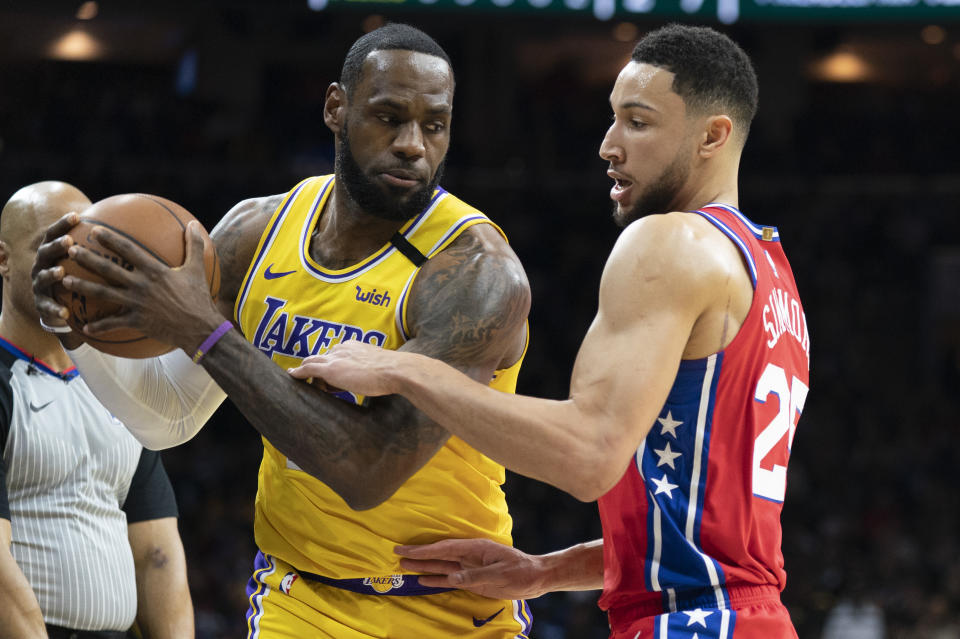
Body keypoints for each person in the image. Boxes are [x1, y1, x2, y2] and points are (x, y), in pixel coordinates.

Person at [288, 24, 811, 639]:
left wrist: (406, 368)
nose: (608, 145)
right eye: (613, 119)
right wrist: (545, 571)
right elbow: (708, 532)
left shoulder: (668, 241)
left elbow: (589, 456)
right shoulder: (770, 270)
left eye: (637, 123)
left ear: (712, 136)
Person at [32, 25, 532, 638]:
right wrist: (79, 330)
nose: (412, 145)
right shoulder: (255, 232)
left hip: (450, 606)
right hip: (300, 596)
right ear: (335, 108)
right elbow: (170, 417)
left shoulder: (476, 275)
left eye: (435, 124)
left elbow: (369, 471)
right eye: (388, 116)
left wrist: (202, 328)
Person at [0, 181, 193, 639]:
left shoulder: (121, 381)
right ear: (3, 260)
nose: (68, 266)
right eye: (50, 246)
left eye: (84, 248)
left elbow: (156, 552)